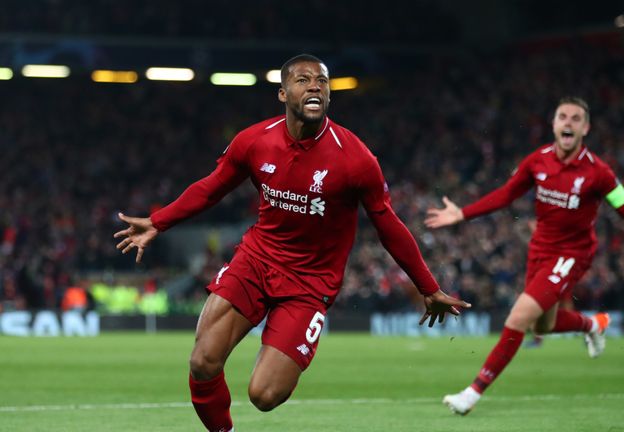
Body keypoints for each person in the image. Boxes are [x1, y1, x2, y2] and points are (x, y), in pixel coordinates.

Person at [114, 54, 470, 432]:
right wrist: (158, 221)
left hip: (310, 283)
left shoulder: (356, 159)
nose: (315, 85)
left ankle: (286, 341)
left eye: (322, 80)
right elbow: (211, 188)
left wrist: (427, 287)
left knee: (264, 396)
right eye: (303, 79)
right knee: (203, 361)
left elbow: (388, 225)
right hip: (256, 261)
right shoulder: (254, 141)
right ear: (283, 93)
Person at [425, 97, 624, 415]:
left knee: (518, 317)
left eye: (576, 119)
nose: (569, 123)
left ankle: (472, 393)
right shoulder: (538, 161)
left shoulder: (598, 173)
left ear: (585, 128)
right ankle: (593, 325)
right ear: (554, 124)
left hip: (572, 254)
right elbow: (507, 194)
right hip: (539, 251)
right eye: (563, 117)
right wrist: (463, 214)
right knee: (542, 327)